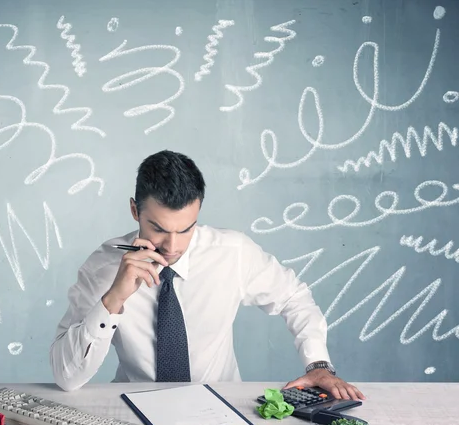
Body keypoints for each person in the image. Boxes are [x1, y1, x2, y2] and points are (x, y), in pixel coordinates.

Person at [50, 150, 365, 401]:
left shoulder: (232, 252)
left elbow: (294, 297)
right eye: (158, 228)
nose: (172, 246)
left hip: (222, 405)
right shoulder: (102, 267)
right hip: (134, 410)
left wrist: (319, 365)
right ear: (135, 211)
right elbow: (67, 377)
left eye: (186, 229)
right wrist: (113, 299)